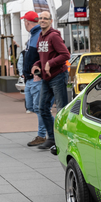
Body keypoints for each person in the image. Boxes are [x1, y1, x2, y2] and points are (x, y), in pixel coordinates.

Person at [30, 11, 71, 150]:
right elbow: (44, 57)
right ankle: (52, 138)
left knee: (61, 110)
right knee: (43, 108)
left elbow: (66, 54)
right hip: (46, 78)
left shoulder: (53, 36)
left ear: (51, 21)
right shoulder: (40, 37)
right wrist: (37, 63)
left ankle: (65, 140)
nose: (42, 20)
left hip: (58, 76)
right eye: (40, 18)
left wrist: (50, 63)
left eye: (45, 19)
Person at [21, 10, 49, 147]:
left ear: (27, 22)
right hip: (29, 78)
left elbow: (42, 57)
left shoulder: (38, 35)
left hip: (36, 79)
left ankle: (43, 135)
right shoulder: (34, 35)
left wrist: (38, 74)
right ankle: (50, 130)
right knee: (32, 106)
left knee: (39, 108)